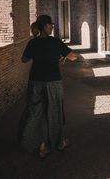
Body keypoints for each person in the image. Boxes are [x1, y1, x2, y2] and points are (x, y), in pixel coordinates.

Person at [18, 15, 78, 158]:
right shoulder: (55, 42)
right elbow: (74, 56)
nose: (52, 27)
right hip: (53, 82)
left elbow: (24, 59)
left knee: (37, 112)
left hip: (35, 82)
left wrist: (38, 55)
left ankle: (42, 146)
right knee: (54, 112)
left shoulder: (33, 43)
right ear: (45, 26)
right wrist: (63, 56)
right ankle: (59, 142)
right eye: (51, 25)